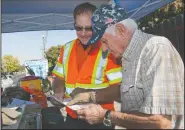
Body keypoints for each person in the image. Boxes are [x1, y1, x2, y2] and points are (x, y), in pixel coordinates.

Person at [76, 4, 184, 129]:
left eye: (104, 41)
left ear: (121, 30)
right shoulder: (128, 56)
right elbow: (125, 92)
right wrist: (90, 96)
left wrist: (106, 115)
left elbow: (162, 122)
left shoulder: (155, 48)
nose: (103, 48)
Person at [52, 2, 122, 129]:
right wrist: (58, 90)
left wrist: (91, 96)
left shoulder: (109, 48)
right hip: (73, 116)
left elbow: (119, 89)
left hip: (100, 118)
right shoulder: (66, 48)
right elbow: (59, 77)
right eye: (79, 28)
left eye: (89, 28)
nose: (83, 33)